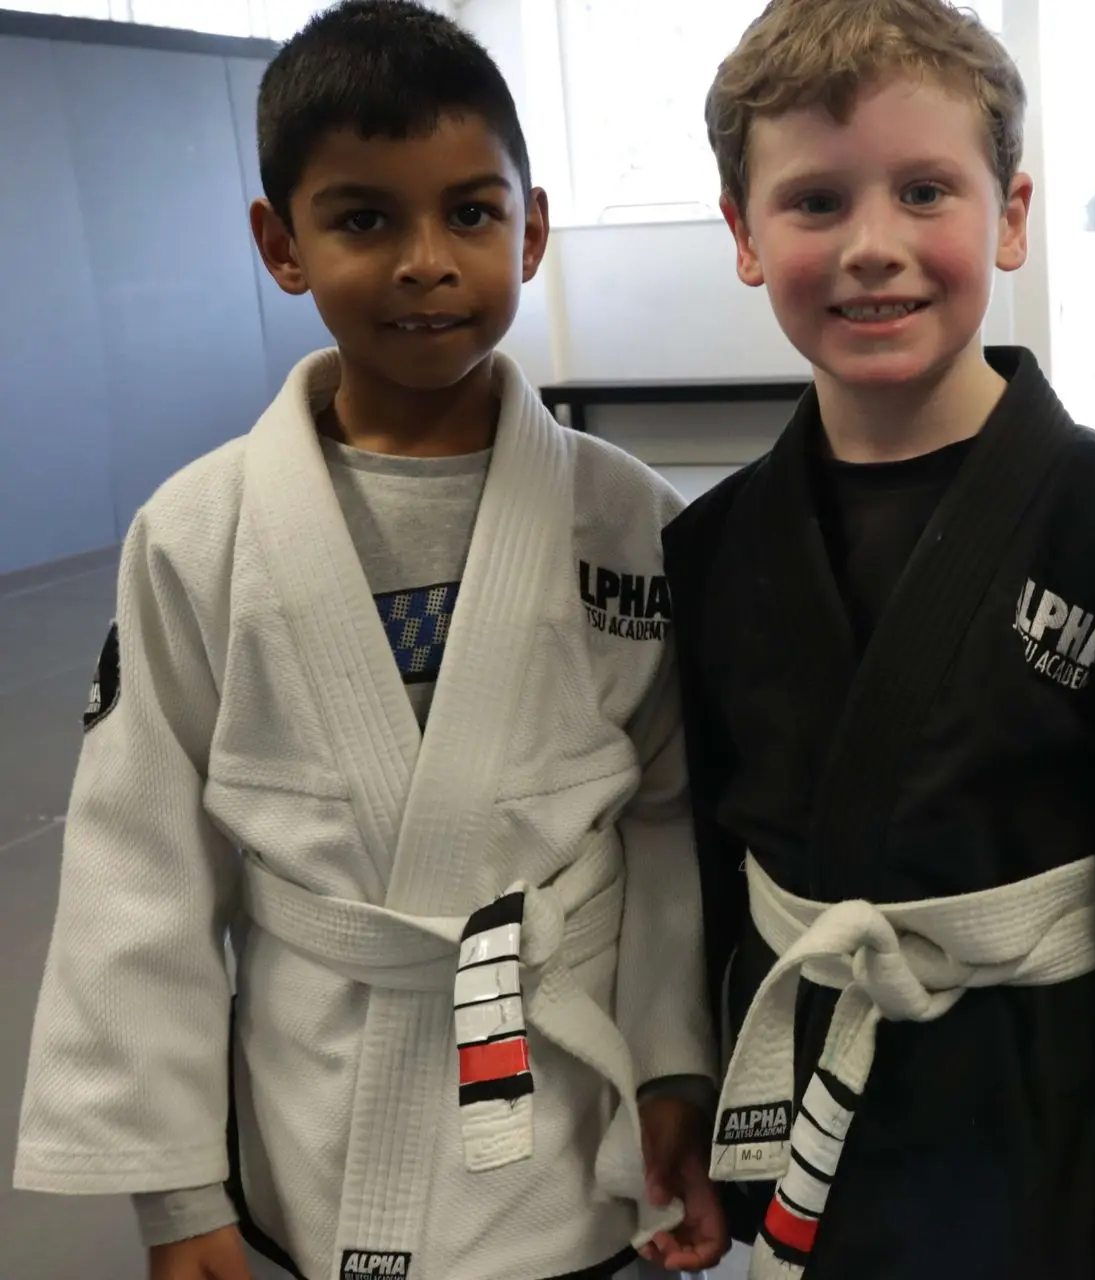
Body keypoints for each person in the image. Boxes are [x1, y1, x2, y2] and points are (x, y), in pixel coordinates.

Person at [13, 4, 727, 1277]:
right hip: (322, 1107)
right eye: (362, 219)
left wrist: (675, 1061)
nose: (425, 262)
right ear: (279, 244)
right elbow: (142, 861)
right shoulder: (199, 529)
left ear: (534, 227)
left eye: (470, 213)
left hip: (561, 1120)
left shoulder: (631, 521)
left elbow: (669, 818)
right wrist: (177, 1191)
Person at [661, 1, 1095, 1276]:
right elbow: (715, 879)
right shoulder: (713, 547)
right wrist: (714, 1116)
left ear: (1010, 214)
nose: (873, 245)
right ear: (743, 234)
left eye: (925, 189)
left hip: (1039, 1113)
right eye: (816, 202)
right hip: (812, 1106)